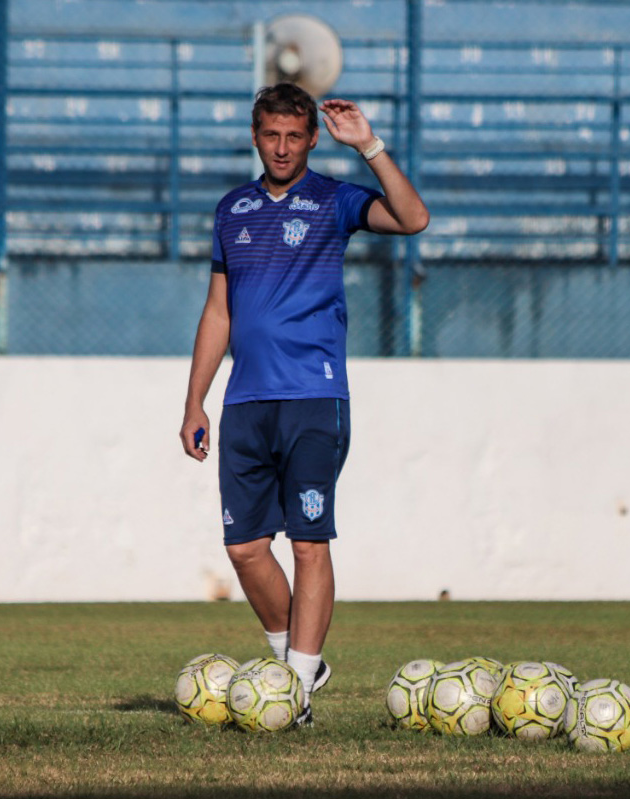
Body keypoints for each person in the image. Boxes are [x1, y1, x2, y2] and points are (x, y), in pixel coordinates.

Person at [179, 82, 429, 725]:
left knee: (310, 543)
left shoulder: (334, 201)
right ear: (255, 136)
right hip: (246, 402)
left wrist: (369, 145)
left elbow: (412, 218)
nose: (283, 147)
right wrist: (195, 402)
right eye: (271, 135)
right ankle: (300, 666)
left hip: (315, 398)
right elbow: (218, 311)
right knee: (244, 549)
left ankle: (292, 692)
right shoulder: (231, 209)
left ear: (312, 138)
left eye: (295, 136)